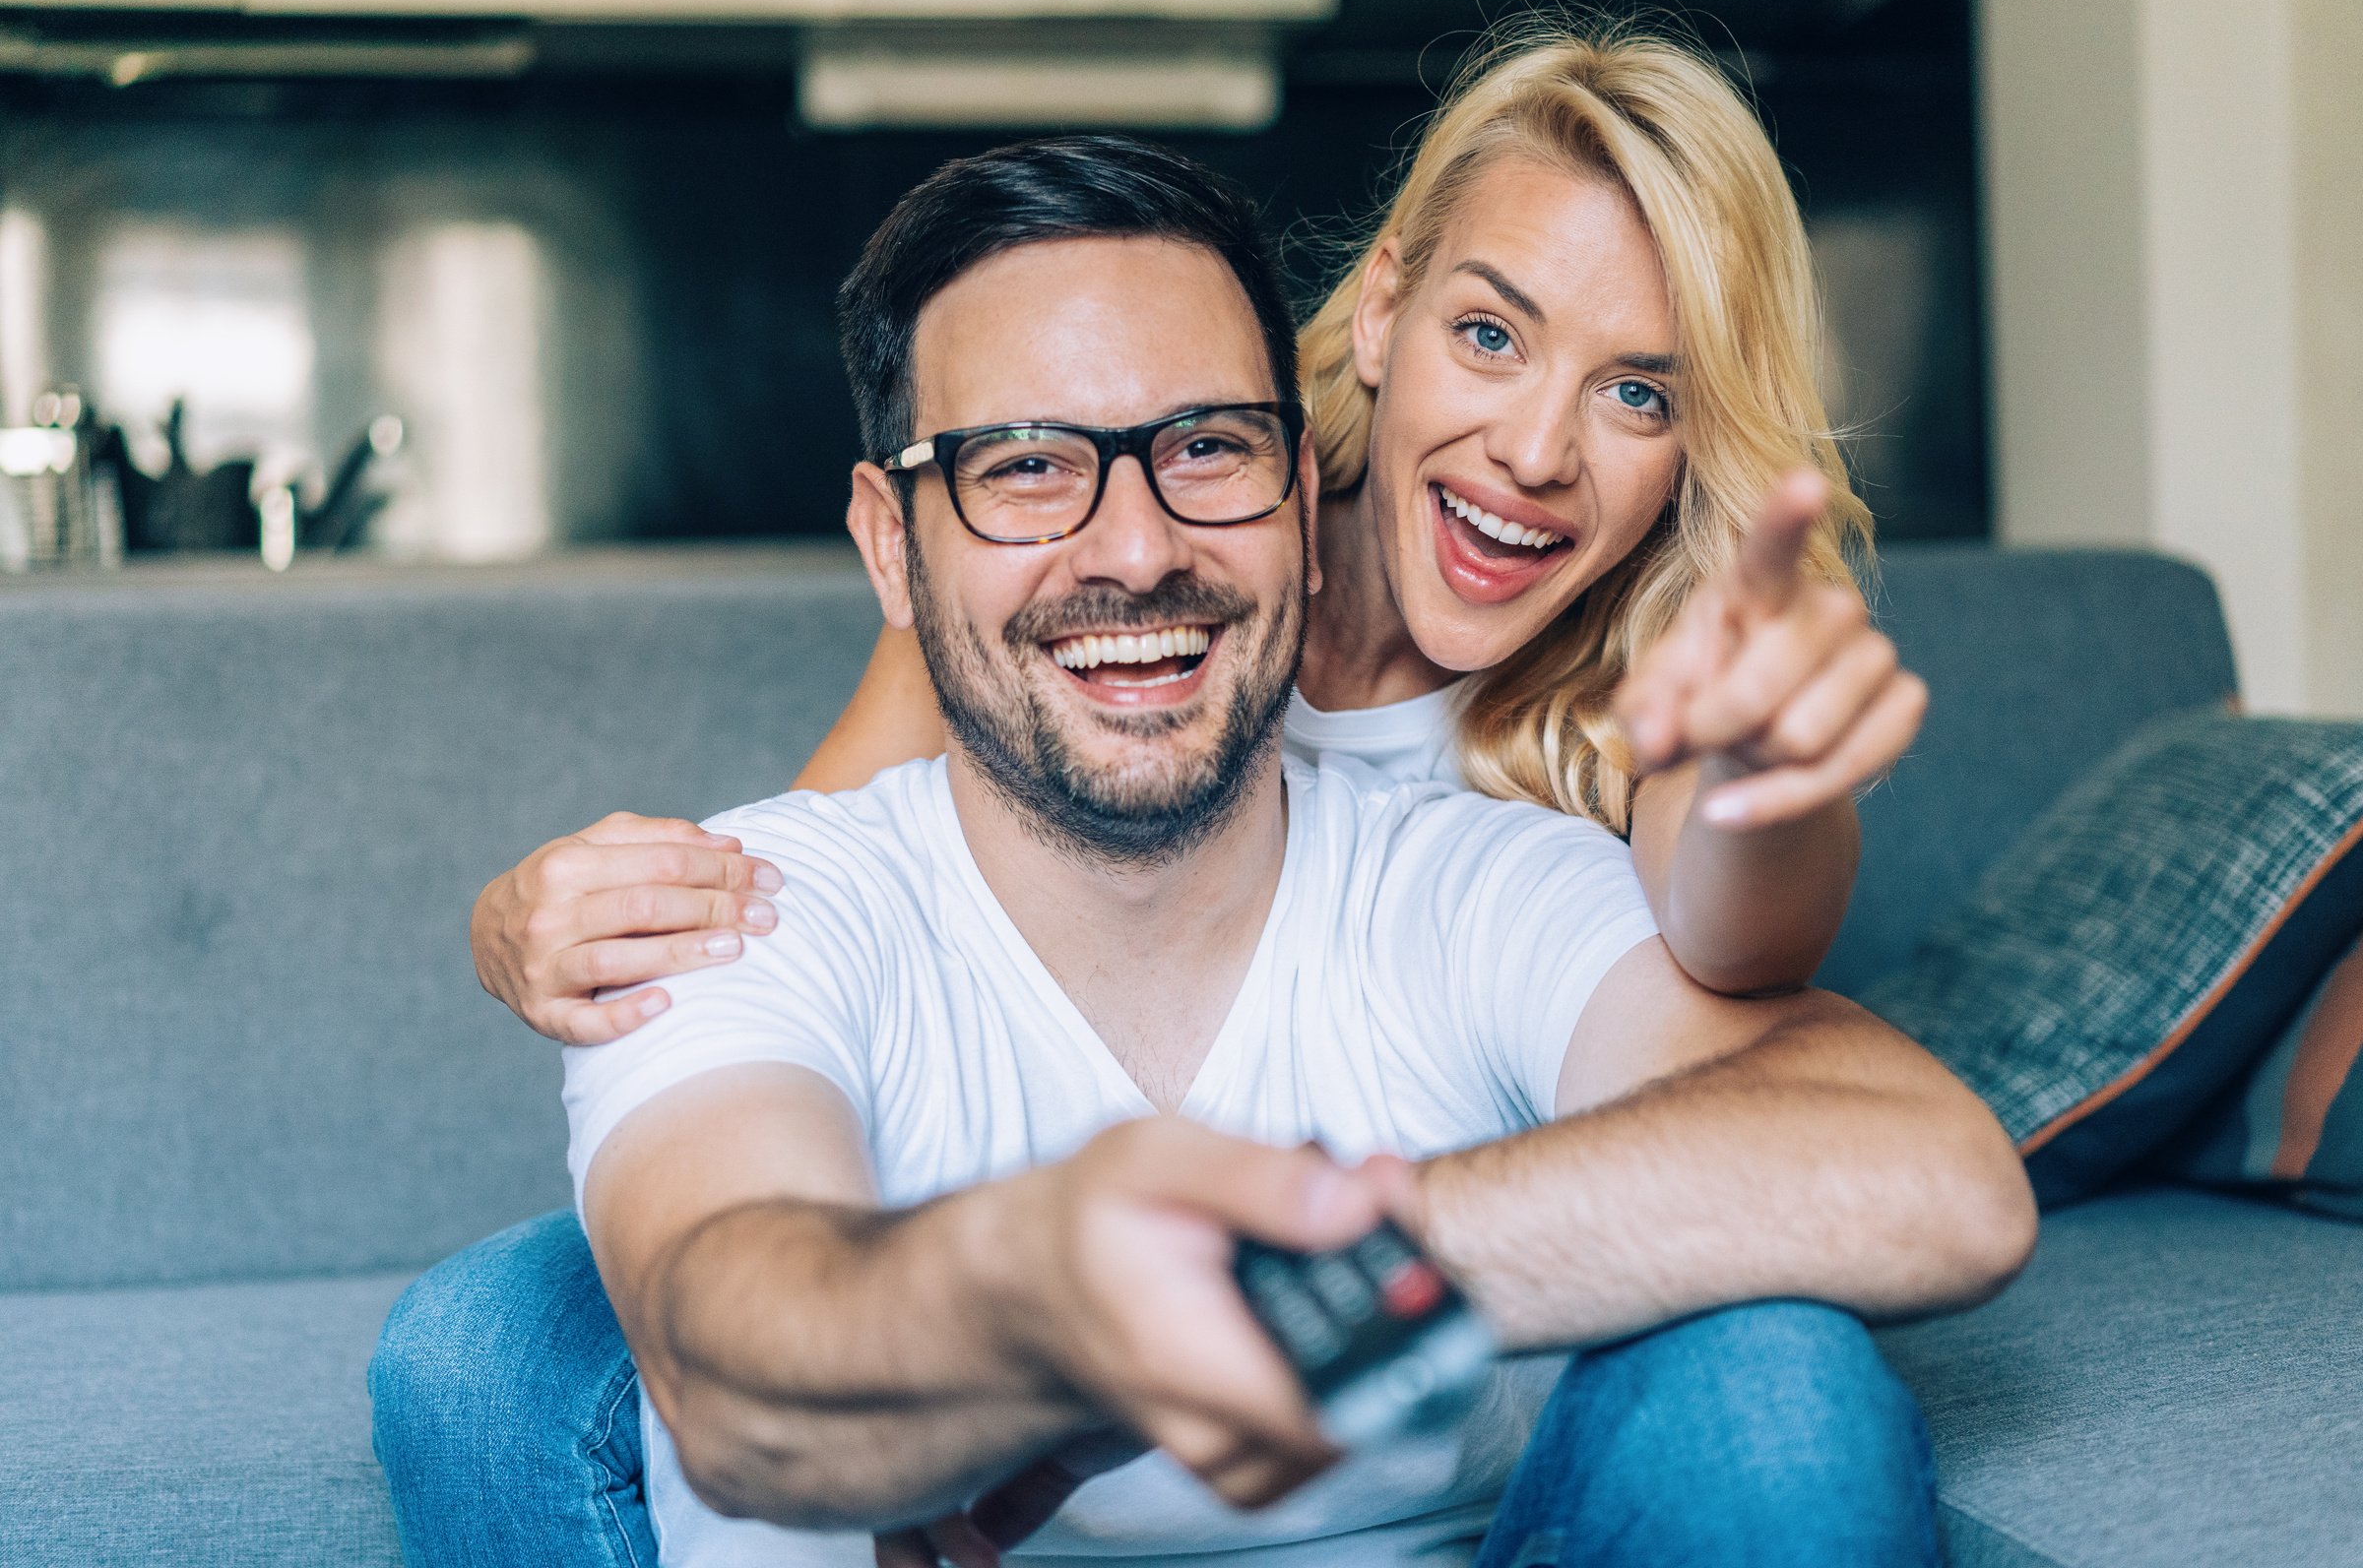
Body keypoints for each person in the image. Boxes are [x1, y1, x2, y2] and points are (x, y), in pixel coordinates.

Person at [374, 136, 2032, 1568]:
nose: (1136, 545)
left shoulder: (1518, 822)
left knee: (1775, 1371)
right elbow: (816, 961)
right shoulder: (815, 876)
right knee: (500, 1347)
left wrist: (1273, 1297)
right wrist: (1041, 1293)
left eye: (1205, 453)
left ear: (1289, 488)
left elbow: (1885, 1115)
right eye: (1028, 468)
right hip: (880, 1253)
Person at [469, 21, 1925, 1044]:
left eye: (1635, 393)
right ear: (1382, 311)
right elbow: (804, 895)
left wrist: (1761, 772)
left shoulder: (1655, 689)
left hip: (1393, 1270)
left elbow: (1747, 939)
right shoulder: (1114, 557)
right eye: (1490, 334)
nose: (1535, 453)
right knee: (483, 1343)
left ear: (1691, 450)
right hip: (1042, 1187)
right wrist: (517, 922)